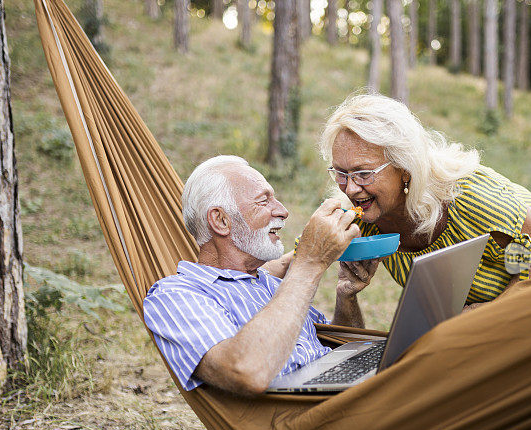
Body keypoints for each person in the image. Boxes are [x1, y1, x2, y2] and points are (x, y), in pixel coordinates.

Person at [318, 94, 531, 430]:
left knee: (482, 359)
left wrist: (496, 315)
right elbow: (300, 258)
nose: (350, 187)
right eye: (341, 173)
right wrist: (346, 292)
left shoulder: (468, 196)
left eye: (363, 173)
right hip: (463, 294)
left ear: (404, 170)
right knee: (430, 361)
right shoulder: (360, 213)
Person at [142, 155, 377, 396]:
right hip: (306, 421)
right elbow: (247, 371)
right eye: (264, 201)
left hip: (352, 397)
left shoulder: (272, 284)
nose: (283, 211)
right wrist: (309, 263)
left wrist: (346, 296)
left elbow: (342, 353)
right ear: (221, 220)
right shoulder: (176, 295)